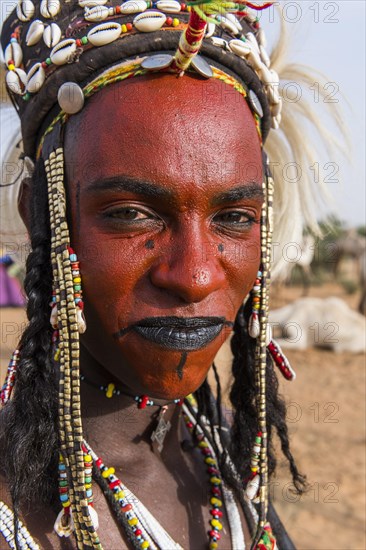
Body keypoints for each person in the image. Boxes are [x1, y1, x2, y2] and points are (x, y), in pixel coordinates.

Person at [0, 1, 339, 548]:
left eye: (233, 218)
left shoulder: (224, 451)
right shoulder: (16, 512)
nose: (195, 276)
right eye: (132, 214)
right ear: (40, 215)